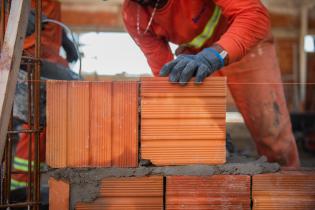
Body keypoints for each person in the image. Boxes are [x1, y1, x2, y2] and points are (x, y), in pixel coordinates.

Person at [122, 0, 300, 167]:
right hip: (194, 60)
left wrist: (215, 56)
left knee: (272, 135)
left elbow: (253, 15)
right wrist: (203, 126)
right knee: (209, 143)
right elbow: (165, 74)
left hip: (246, 43)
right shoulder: (134, 14)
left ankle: (287, 186)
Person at [11, 0, 80, 190]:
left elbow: (49, 16)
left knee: (46, 127)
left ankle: (29, 186)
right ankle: (19, 189)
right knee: (35, 125)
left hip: (46, 54)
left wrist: (64, 38)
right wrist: (12, 11)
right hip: (26, 55)